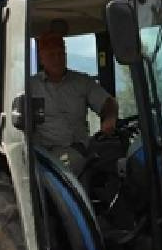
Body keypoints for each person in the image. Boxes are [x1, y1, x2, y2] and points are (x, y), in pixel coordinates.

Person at [27, 25, 118, 174]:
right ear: (42, 59)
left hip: (80, 149)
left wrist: (110, 119)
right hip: (45, 153)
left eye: (61, 54)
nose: (57, 59)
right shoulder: (30, 87)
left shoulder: (82, 82)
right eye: (51, 55)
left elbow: (108, 102)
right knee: (64, 168)